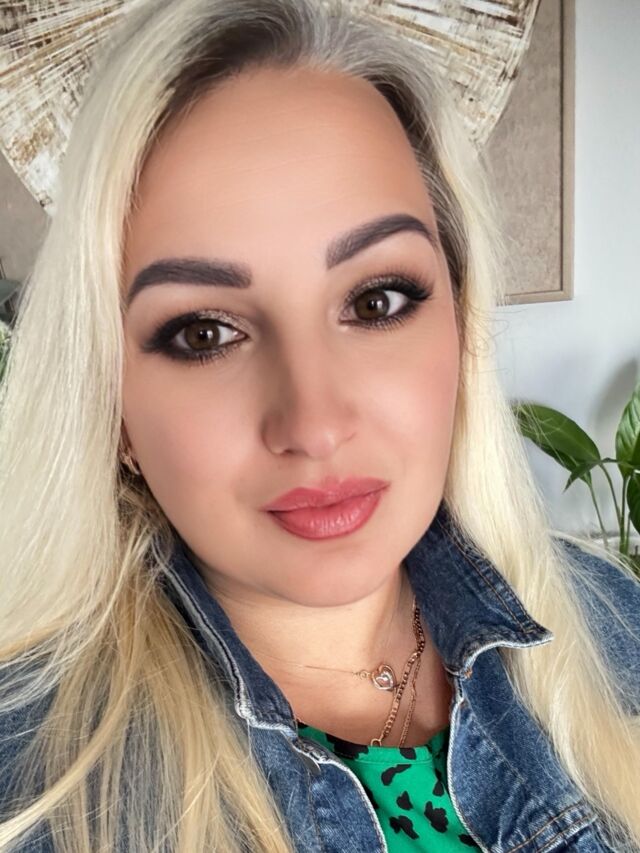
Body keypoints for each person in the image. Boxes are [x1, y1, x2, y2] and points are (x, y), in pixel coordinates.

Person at [0, 0, 639, 850]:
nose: (315, 422)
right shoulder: (34, 795)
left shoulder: (613, 624)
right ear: (110, 400)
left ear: (461, 320)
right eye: (204, 333)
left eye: (376, 301)